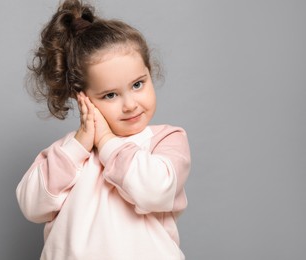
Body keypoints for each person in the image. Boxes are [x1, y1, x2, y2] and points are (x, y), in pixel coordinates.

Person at [16, 0, 191, 259]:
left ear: (149, 74)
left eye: (138, 84)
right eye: (110, 95)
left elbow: (153, 190)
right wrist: (78, 146)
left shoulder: (165, 141)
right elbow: (32, 205)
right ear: (82, 98)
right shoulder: (68, 153)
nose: (130, 105)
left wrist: (108, 142)